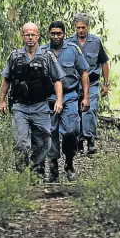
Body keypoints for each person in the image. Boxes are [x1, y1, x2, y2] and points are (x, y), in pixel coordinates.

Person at [0, 22, 65, 180]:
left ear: (38, 36)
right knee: (21, 143)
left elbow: (57, 80)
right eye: (27, 34)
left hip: (40, 106)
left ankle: (36, 172)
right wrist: (1, 101)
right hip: (20, 107)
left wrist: (59, 100)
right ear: (22, 36)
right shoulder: (15, 56)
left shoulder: (46, 56)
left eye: (33, 34)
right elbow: (6, 80)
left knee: (43, 142)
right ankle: (22, 174)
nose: (30, 37)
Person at [41, 21, 90, 182]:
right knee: (50, 133)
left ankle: (69, 162)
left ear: (64, 34)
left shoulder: (73, 50)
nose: (56, 36)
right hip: (48, 98)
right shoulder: (42, 51)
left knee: (71, 131)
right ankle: (53, 166)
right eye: (53, 33)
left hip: (69, 96)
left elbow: (83, 73)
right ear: (49, 34)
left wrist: (86, 96)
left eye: (59, 33)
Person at [67, 12, 110, 154]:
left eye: (83, 27)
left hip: (92, 82)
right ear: (74, 27)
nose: (80, 30)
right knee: (75, 112)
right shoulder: (68, 43)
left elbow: (104, 62)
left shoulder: (96, 42)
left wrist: (106, 84)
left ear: (88, 27)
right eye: (78, 27)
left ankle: (90, 140)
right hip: (74, 83)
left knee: (89, 109)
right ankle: (78, 141)